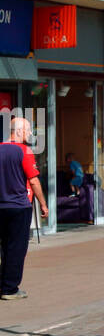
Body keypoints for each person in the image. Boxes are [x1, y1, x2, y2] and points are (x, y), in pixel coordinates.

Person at [0, 117, 48, 300]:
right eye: (28, 130)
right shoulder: (24, 151)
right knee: (16, 248)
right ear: (18, 131)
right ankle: (10, 289)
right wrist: (43, 204)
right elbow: (34, 180)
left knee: (4, 247)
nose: (29, 134)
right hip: (19, 206)